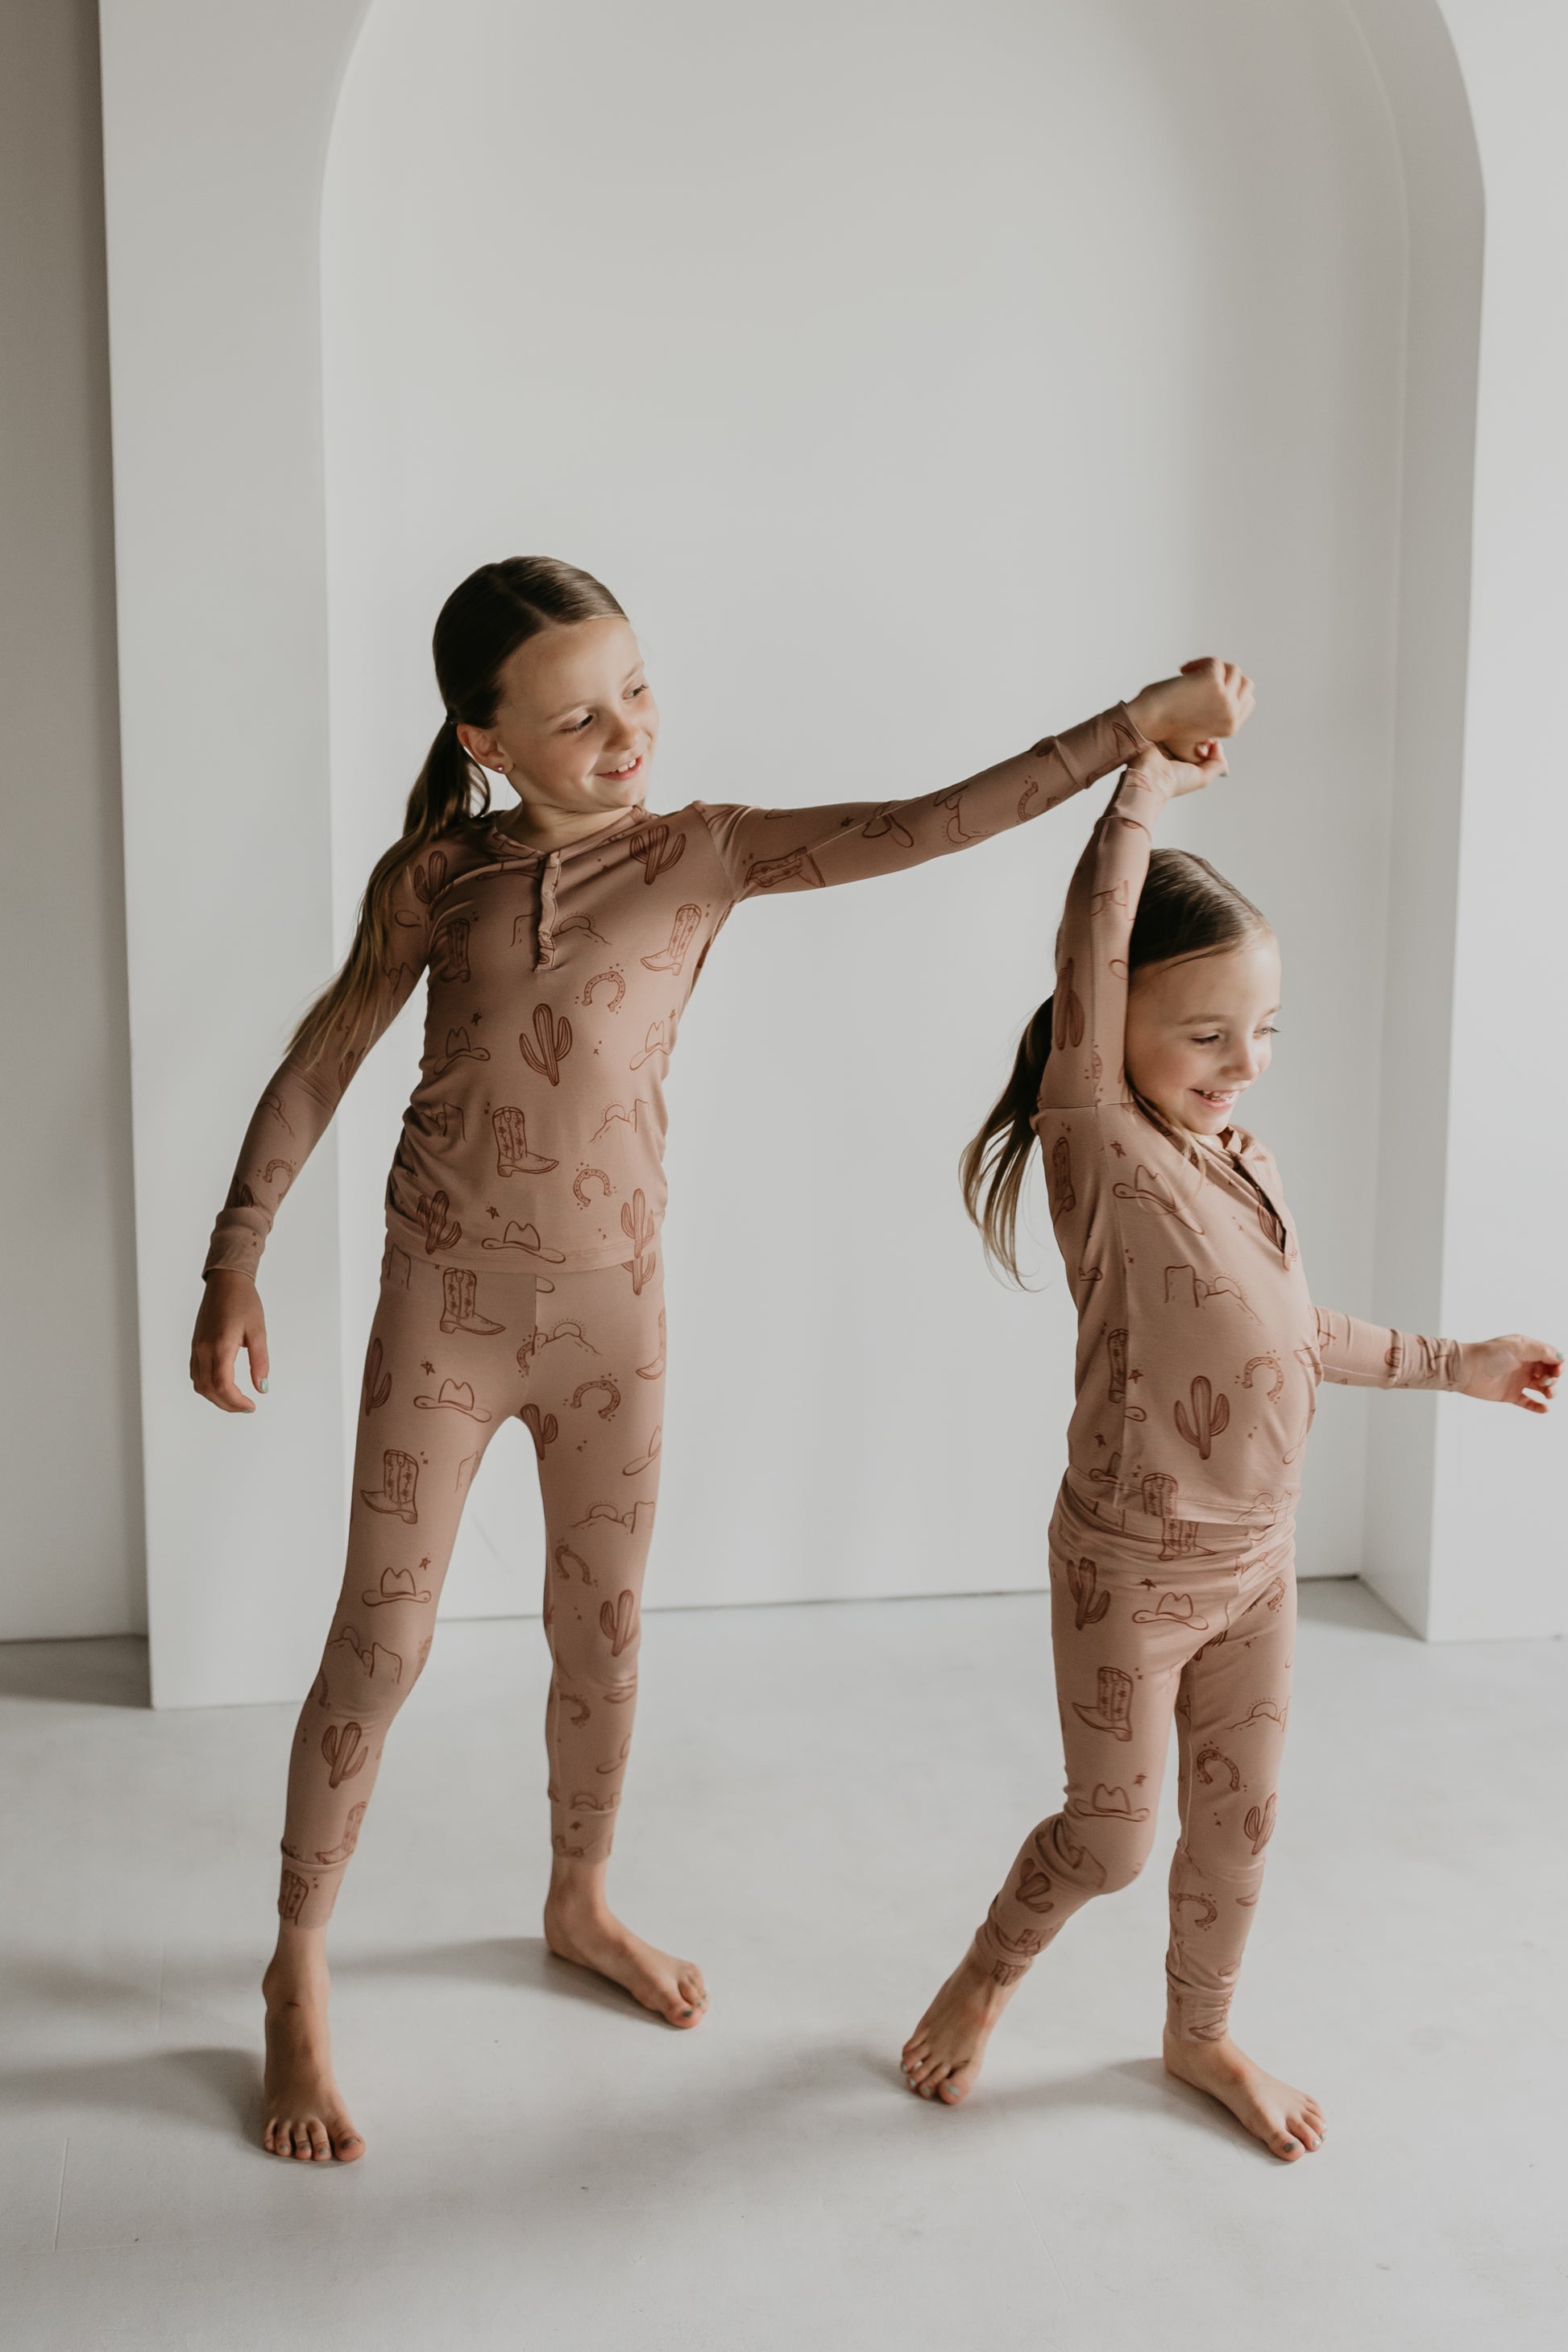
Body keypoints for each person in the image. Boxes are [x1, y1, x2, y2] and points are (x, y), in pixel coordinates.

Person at [191, 554, 1250, 2161]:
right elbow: (325, 1048)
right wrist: (235, 1253)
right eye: (574, 718)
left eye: (634, 691)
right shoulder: (436, 877)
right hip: (448, 1312)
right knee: (384, 1637)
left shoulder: (704, 854)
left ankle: (580, 1895)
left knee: (600, 1629)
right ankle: (295, 1959)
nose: (626, 732)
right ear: (485, 739)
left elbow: (929, 819)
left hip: (614, 1315)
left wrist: (1127, 735)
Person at [900, 676, 1559, 2159]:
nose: (1243, 1062)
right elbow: (1088, 928)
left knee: (1238, 1827)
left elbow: (1284, 1339)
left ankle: (1197, 2034)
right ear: (1106, 1021)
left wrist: (1456, 1362)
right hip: (1132, 1574)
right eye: (1204, 1035)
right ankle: (985, 1974)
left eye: (1261, 1029)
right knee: (1114, 1841)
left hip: (1255, 1566)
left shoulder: (1233, 1165)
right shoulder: (1099, 1148)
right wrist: (1137, 783)